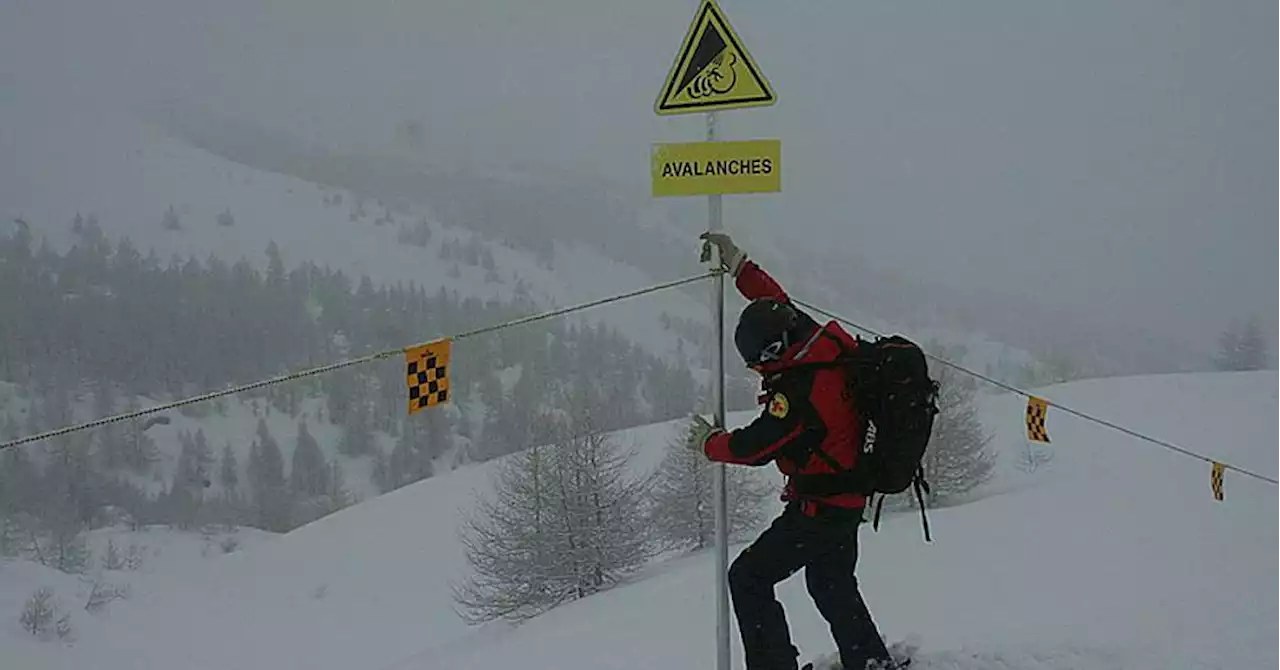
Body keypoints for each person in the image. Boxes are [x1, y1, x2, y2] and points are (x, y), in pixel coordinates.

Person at [687, 232, 902, 670]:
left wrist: (710, 445)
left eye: (760, 364)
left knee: (748, 577)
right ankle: (870, 662)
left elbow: (756, 446)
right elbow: (776, 300)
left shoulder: (800, 393)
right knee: (830, 581)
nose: (760, 373)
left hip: (820, 507)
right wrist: (739, 264)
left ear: (772, 353)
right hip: (847, 495)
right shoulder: (815, 342)